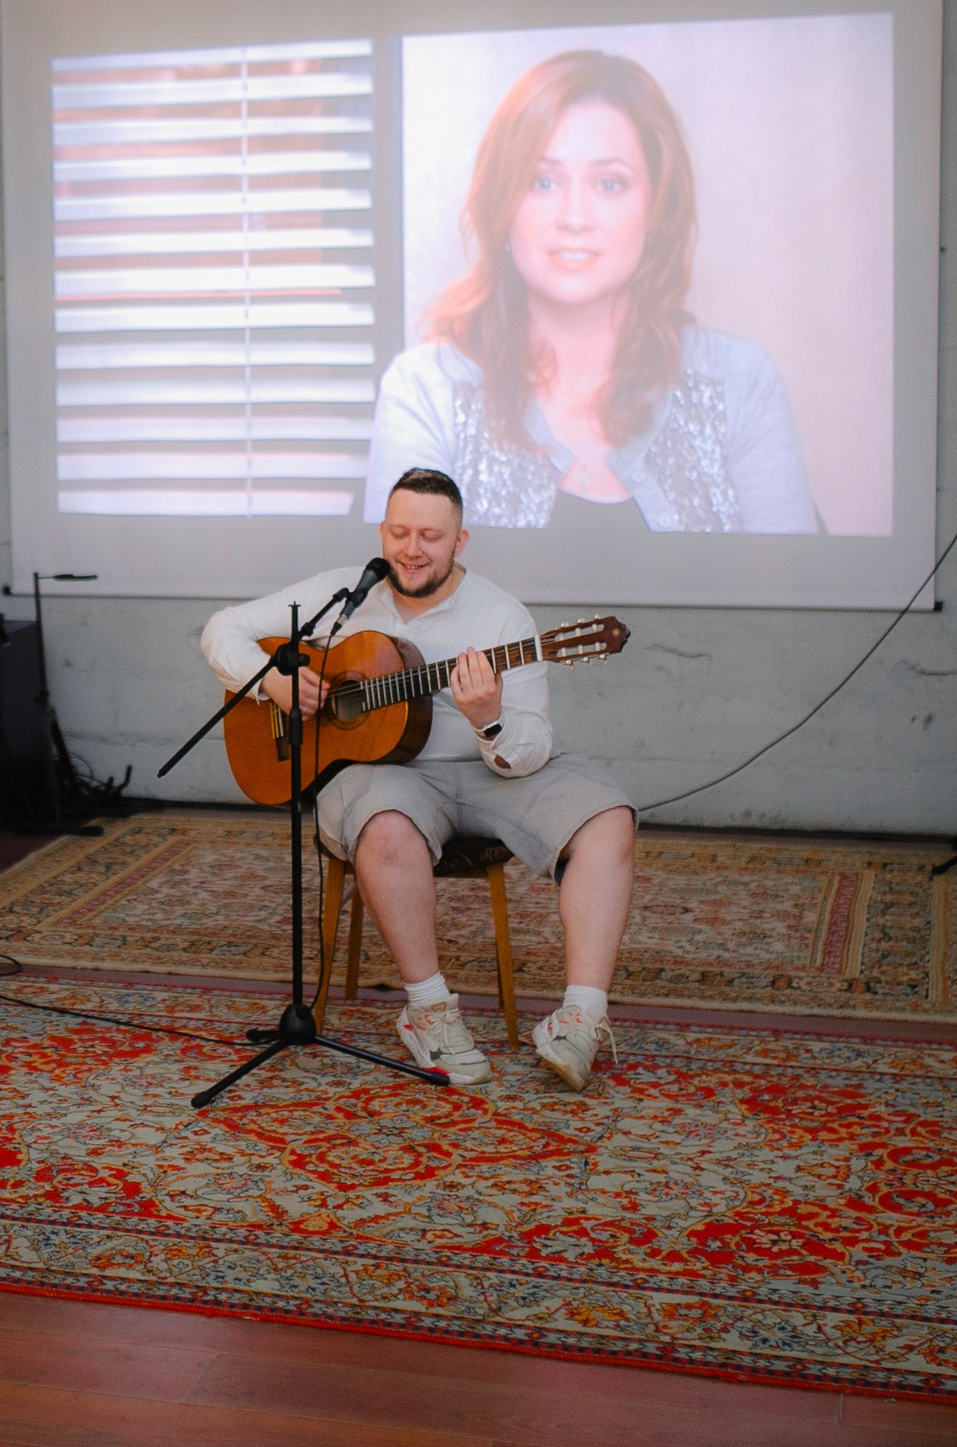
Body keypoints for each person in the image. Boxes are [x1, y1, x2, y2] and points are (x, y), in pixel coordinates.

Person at [200, 466, 639, 1089]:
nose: (413, 549)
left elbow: (533, 745)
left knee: (608, 817)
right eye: (400, 532)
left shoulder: (501, 618)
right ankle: (429, 1011)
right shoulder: (342, 597)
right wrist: (271, 680)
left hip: (493, 774)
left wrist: (488, 722)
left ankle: (581, 1020)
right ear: (382, 532)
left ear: (460, 542)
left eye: (431, 536)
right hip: (384, 777)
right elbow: (224, 627)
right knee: (384, 827)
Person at [366, 49, 817, 534]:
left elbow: (792, 603)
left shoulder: (741, 383)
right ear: (503, 205)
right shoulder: (425, 389)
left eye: (608, 183)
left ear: (656, 210)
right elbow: (406, 601)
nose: (575, 218)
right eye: (542, 181)